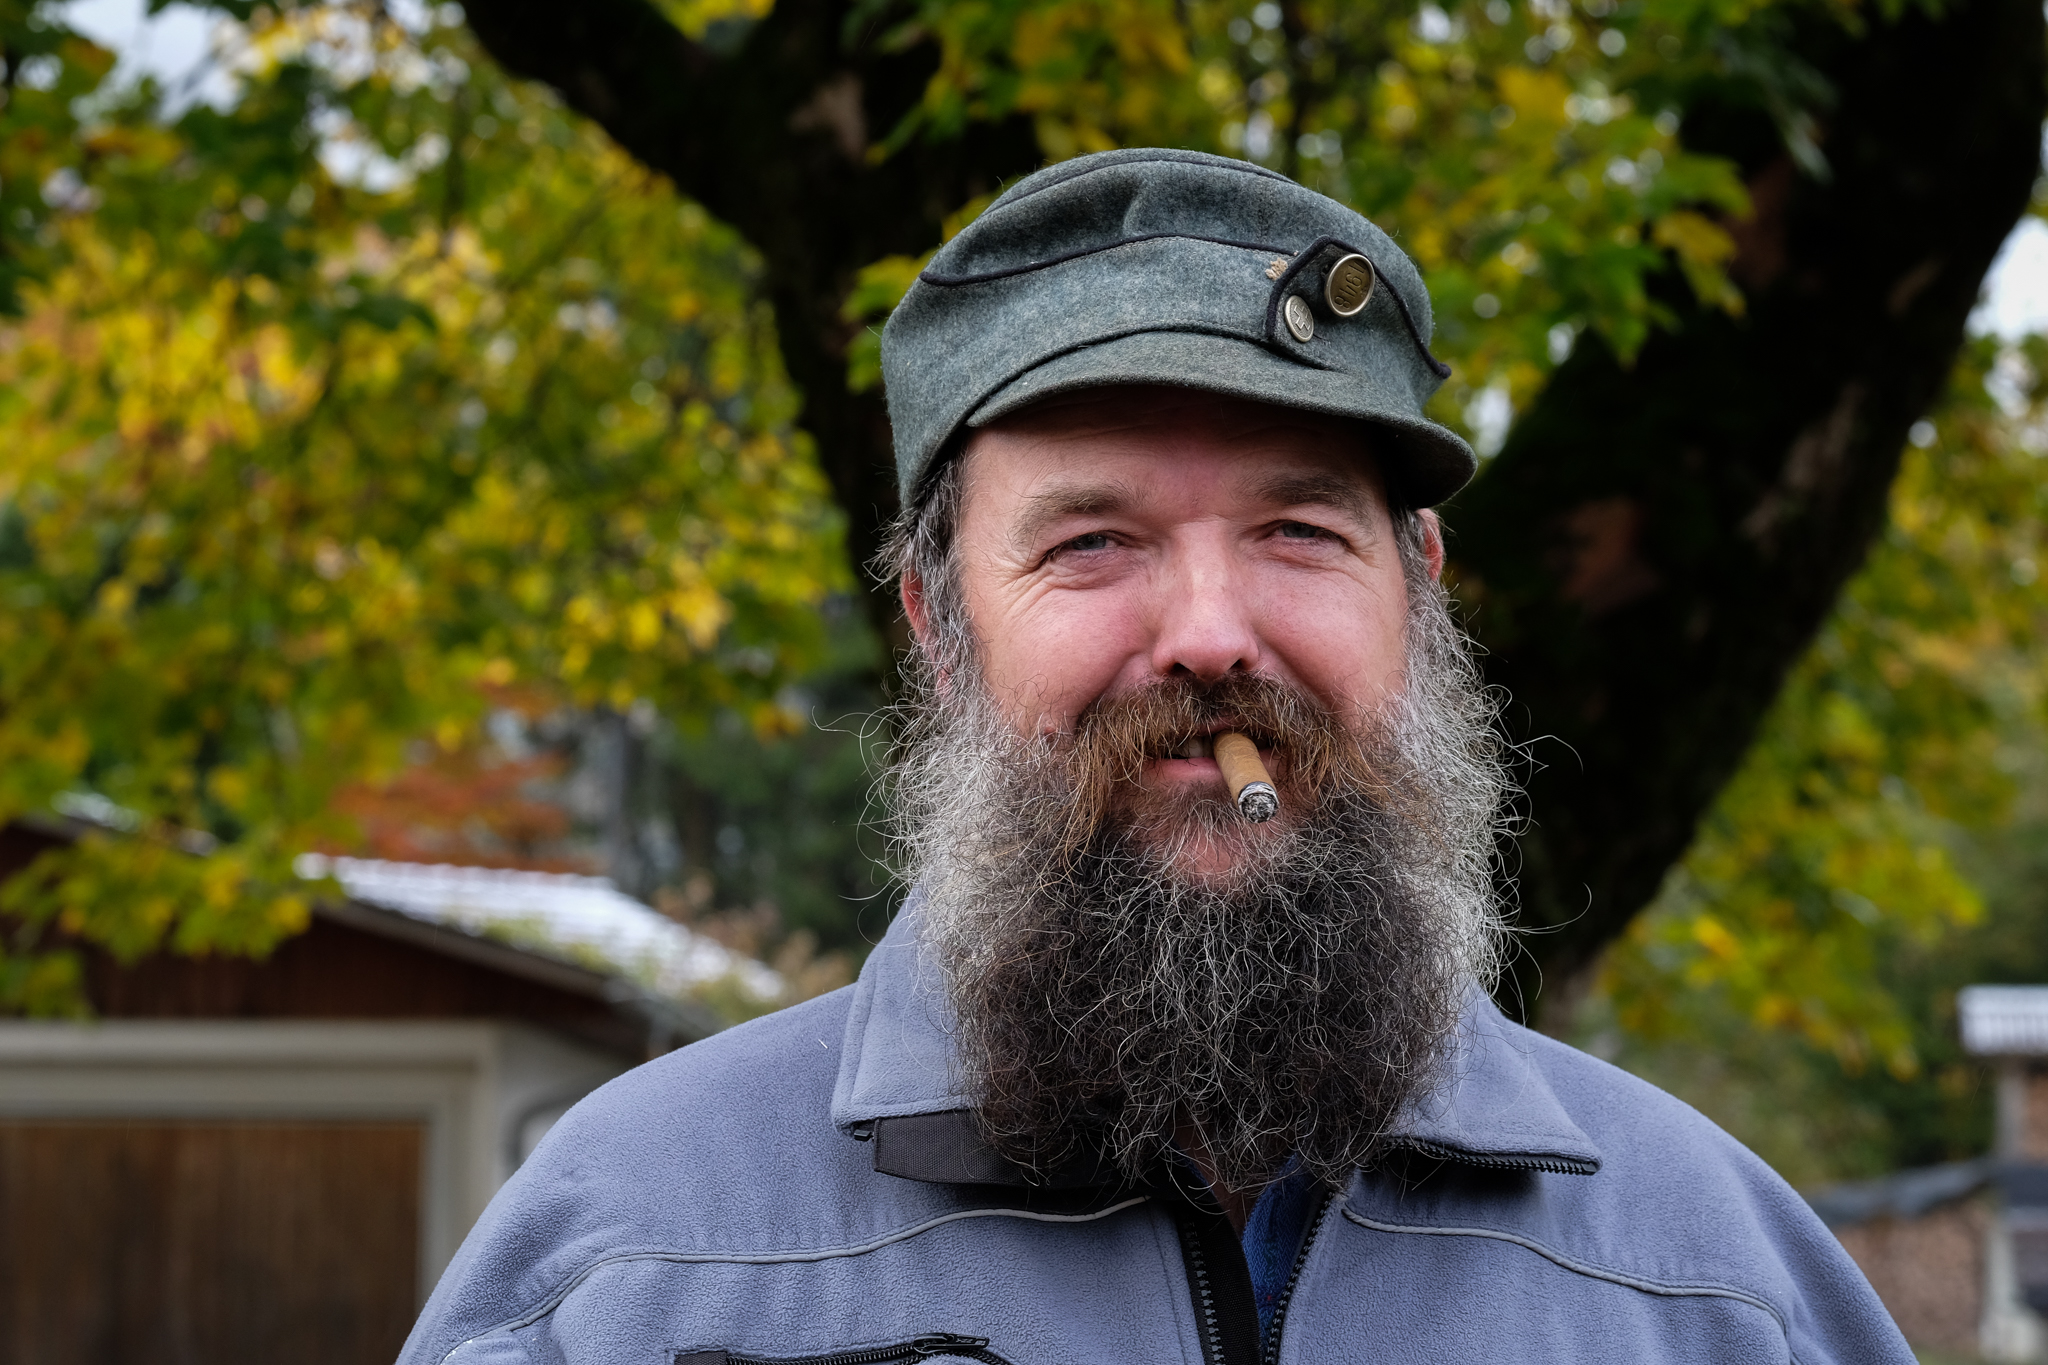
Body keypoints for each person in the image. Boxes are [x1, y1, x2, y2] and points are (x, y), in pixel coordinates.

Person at [398, 148, 1911, 1365]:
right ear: (940, 628)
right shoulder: (631, 1266)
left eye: (1297, 531)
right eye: (1093, 541)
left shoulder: (1719, 1292)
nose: (1208, 635)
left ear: (1420, 596)